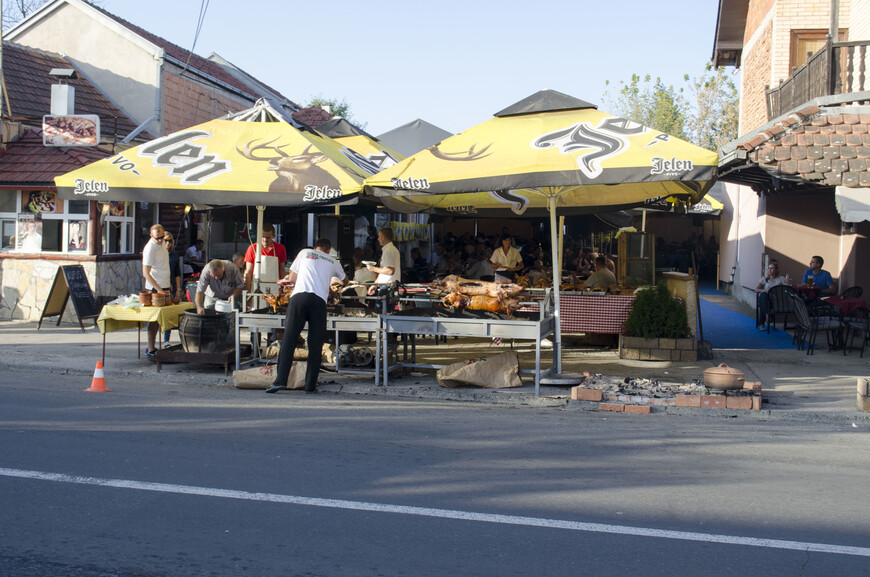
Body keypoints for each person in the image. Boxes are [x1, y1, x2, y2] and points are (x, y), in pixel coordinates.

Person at [265, 238, 347, 394]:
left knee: (289, 339)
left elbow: (292, 279)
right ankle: (310, 385)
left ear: (315, 247)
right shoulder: (333, 261)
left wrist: (286, 282)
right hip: (318, 302)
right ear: (329, 250)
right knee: (315, 344)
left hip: (299, 298)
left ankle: (280, 381)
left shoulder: (304, 252)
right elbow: (345, 281)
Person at [142, 224, 170, 357]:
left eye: (162, 237)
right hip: (155, 287)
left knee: (161, 318)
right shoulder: (150, 248)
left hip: (164, 284)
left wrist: (168, 282)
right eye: (157, 238)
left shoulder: (163, 243)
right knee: (154, 319)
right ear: (151, 236)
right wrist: (159, 290)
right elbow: (146, 273)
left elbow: (163, 264)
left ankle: (162, 343)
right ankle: (151, 347)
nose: (160, 240)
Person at [244, 223, 287, 293]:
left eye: (268, 237)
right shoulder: (252, 248)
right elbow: (248, 273)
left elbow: (282, 270)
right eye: (262, 236)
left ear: (274, 236)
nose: (265, 239)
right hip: (256, 287)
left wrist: (284, 289)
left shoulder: (280, 248)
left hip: (275, 288)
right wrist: (248, 293)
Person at [366, 227, 400, 296]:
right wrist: (375, 285)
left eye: (379, 237)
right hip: (388, 286)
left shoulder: (389, 250)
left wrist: (373, 269)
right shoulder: (390, 249)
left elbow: (390, 271)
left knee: (380, 306)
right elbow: (384, 271)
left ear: (383, 237)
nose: (378, 239)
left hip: (388, 286)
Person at [162, 232, 183, 345]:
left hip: (172, 287)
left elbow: (177, 273)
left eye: (170, 241)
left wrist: (178, 288)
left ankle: (166, 340)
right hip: (161, 286)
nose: (168, 243)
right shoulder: (159, 254)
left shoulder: (174, 256)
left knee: (169, 313)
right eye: (166, 240)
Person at [755, 261, 786, 330]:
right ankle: (767, 315)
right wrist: (764, 290)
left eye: (772, 268)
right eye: (768, 268)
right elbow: (756, 289)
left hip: (775, 300)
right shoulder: (764, 279)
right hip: (765, 299)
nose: (769, 270)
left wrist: (787, 282)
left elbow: (786, 287)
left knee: (763, 300)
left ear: (776, 270)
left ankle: (762, 324)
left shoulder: (781, 279)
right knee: (763, 296)